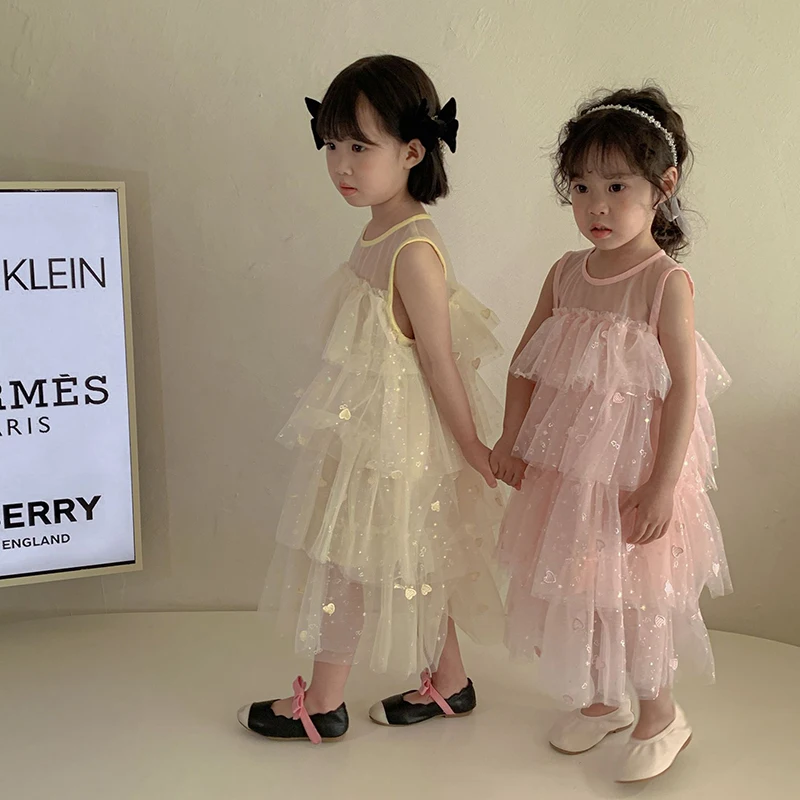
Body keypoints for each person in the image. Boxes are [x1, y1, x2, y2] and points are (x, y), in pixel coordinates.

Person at [238, 54, 505, 744]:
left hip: (398, 441)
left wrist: (471, 446)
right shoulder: (377, 231)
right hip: (369, 430)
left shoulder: (412, 250)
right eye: (331, 145)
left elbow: (439, 360)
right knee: (408, 556)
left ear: (412, 152)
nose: (341, 165)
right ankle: (451, 680)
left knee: (357, 559)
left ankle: (325, 702)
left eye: (360, 147)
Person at [491, 87, 732, 782]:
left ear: (664, 185)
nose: (596, 205)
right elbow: (525, 363)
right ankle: (604, 700)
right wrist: (510, 439)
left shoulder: (664, 282)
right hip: (571, 468)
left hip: (635, 469)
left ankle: (661, 714)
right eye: (581, 187)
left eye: (617, 186)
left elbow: (683, 388)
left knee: (636, 591)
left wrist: (662, 485)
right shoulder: (566, 273)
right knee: (579, 578)